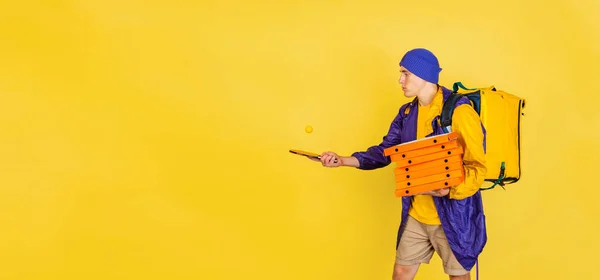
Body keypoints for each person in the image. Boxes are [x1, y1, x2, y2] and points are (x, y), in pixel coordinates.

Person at [314, 48, 487, 280]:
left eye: (405, 73)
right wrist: (342, 160)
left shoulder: (459, 111)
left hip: (454, 218)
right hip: (416, 213)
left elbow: (478, 167)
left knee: (458, 276)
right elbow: (385, 152)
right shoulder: (407, 113)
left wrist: (450, 190)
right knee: (401, 273)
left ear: (423, 75)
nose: (400, 80)